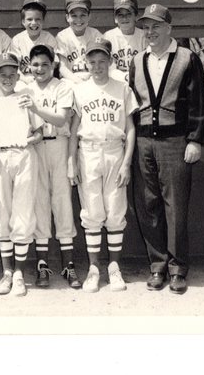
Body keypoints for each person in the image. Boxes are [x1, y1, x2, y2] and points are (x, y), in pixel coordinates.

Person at [128, 4, 204, 294]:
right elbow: (132, 103)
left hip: (175, 142)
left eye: (156, 26)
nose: (150, 32)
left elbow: (199, 102)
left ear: (169, 28)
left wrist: (195, 140)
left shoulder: (187, 58)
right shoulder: (138, 60)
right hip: (143, 141)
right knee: (148, 204)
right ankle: (158, 266)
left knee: (175, 206)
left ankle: (177, 269)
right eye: (146, 27)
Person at [68, 38, 138, 293]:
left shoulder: (122, 88)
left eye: (102, 61)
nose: (97, 66)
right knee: (93, 212)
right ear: (85, 62)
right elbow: (74, 129)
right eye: (92, 61)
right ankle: (95, 268)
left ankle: (115, 268)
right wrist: (71, 160)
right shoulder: (80, 90)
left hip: (114, 150)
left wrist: (127, 162)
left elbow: (130, 128)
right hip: (88, 151)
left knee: (116, 211)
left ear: (111, 61)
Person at [22, 44, 81, 289]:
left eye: (45, 64)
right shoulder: (24, 89)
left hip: (58, 144)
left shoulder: (63, 87)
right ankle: (42, 265)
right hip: (35, 148)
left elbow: (61, 119)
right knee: (40, 204)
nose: (40, 68)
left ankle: (69, 265)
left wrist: (36, 108)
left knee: (62, 203)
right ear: (29, 65)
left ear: (53, 64)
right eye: (35, 64)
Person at [0, 52, 43, 297]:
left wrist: (28, 138)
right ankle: (7, 271)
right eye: (2, 74)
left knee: (23, 211)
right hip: (0, 156)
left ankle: (19, 273)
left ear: (18, 75)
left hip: (23, 155)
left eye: (11, 74)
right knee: (4, 212)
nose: (7, 78)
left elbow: (39, 133)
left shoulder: (27, 95)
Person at [9, 0, 58, 87]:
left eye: (38, 19)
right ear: (23, 21)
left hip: (46, 79)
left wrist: (42, 80)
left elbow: (53, 66)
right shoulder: (17, 40)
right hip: (24, 80)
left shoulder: (49, 39)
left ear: (43, 21)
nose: (34, 23)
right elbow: (14, 67)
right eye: (29, 19)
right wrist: (25, 79)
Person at [56, 0, 101, 84]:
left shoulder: (95, 35)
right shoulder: (62, 36)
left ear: (89, 16)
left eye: (83, 15)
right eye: (74, 16)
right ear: (67, 17)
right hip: (71, 79)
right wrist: (78, 81)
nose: (78, 20)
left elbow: (101, 62)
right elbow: (62, 67)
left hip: (93, 78)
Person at [103, 0, 146, 83]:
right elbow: (108, 67)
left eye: (128, 14)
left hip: (139, 80)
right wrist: (125, 77)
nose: (124, 18)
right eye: (120, 15)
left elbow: (147, 65)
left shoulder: (144, 36)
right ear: (115, 18)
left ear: (136, 16)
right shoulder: (108, 37)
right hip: (115, 81)